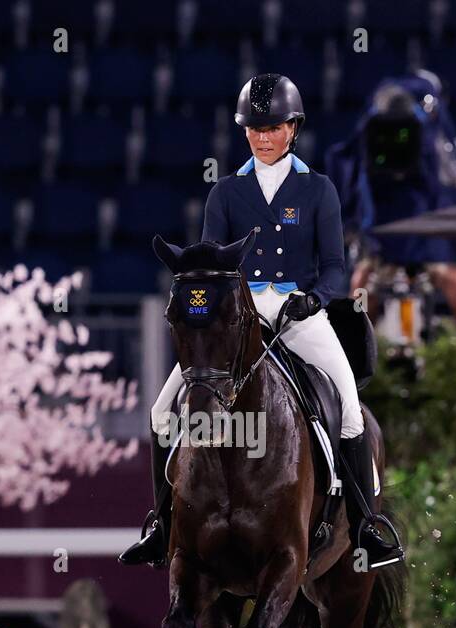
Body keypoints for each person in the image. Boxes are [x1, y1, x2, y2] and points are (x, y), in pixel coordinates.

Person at [119, 73, 404, 569]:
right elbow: (212, 266)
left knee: (350, 409)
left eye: (271, 128)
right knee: (163, 410)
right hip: (240, 315)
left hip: (299, 314)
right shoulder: (226, 192)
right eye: (254, 128)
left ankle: (365, 526)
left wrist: (313, 299)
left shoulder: (318, 190)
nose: (262, 137)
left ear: (292, 129)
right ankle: (162, 524)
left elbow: (334, 266)